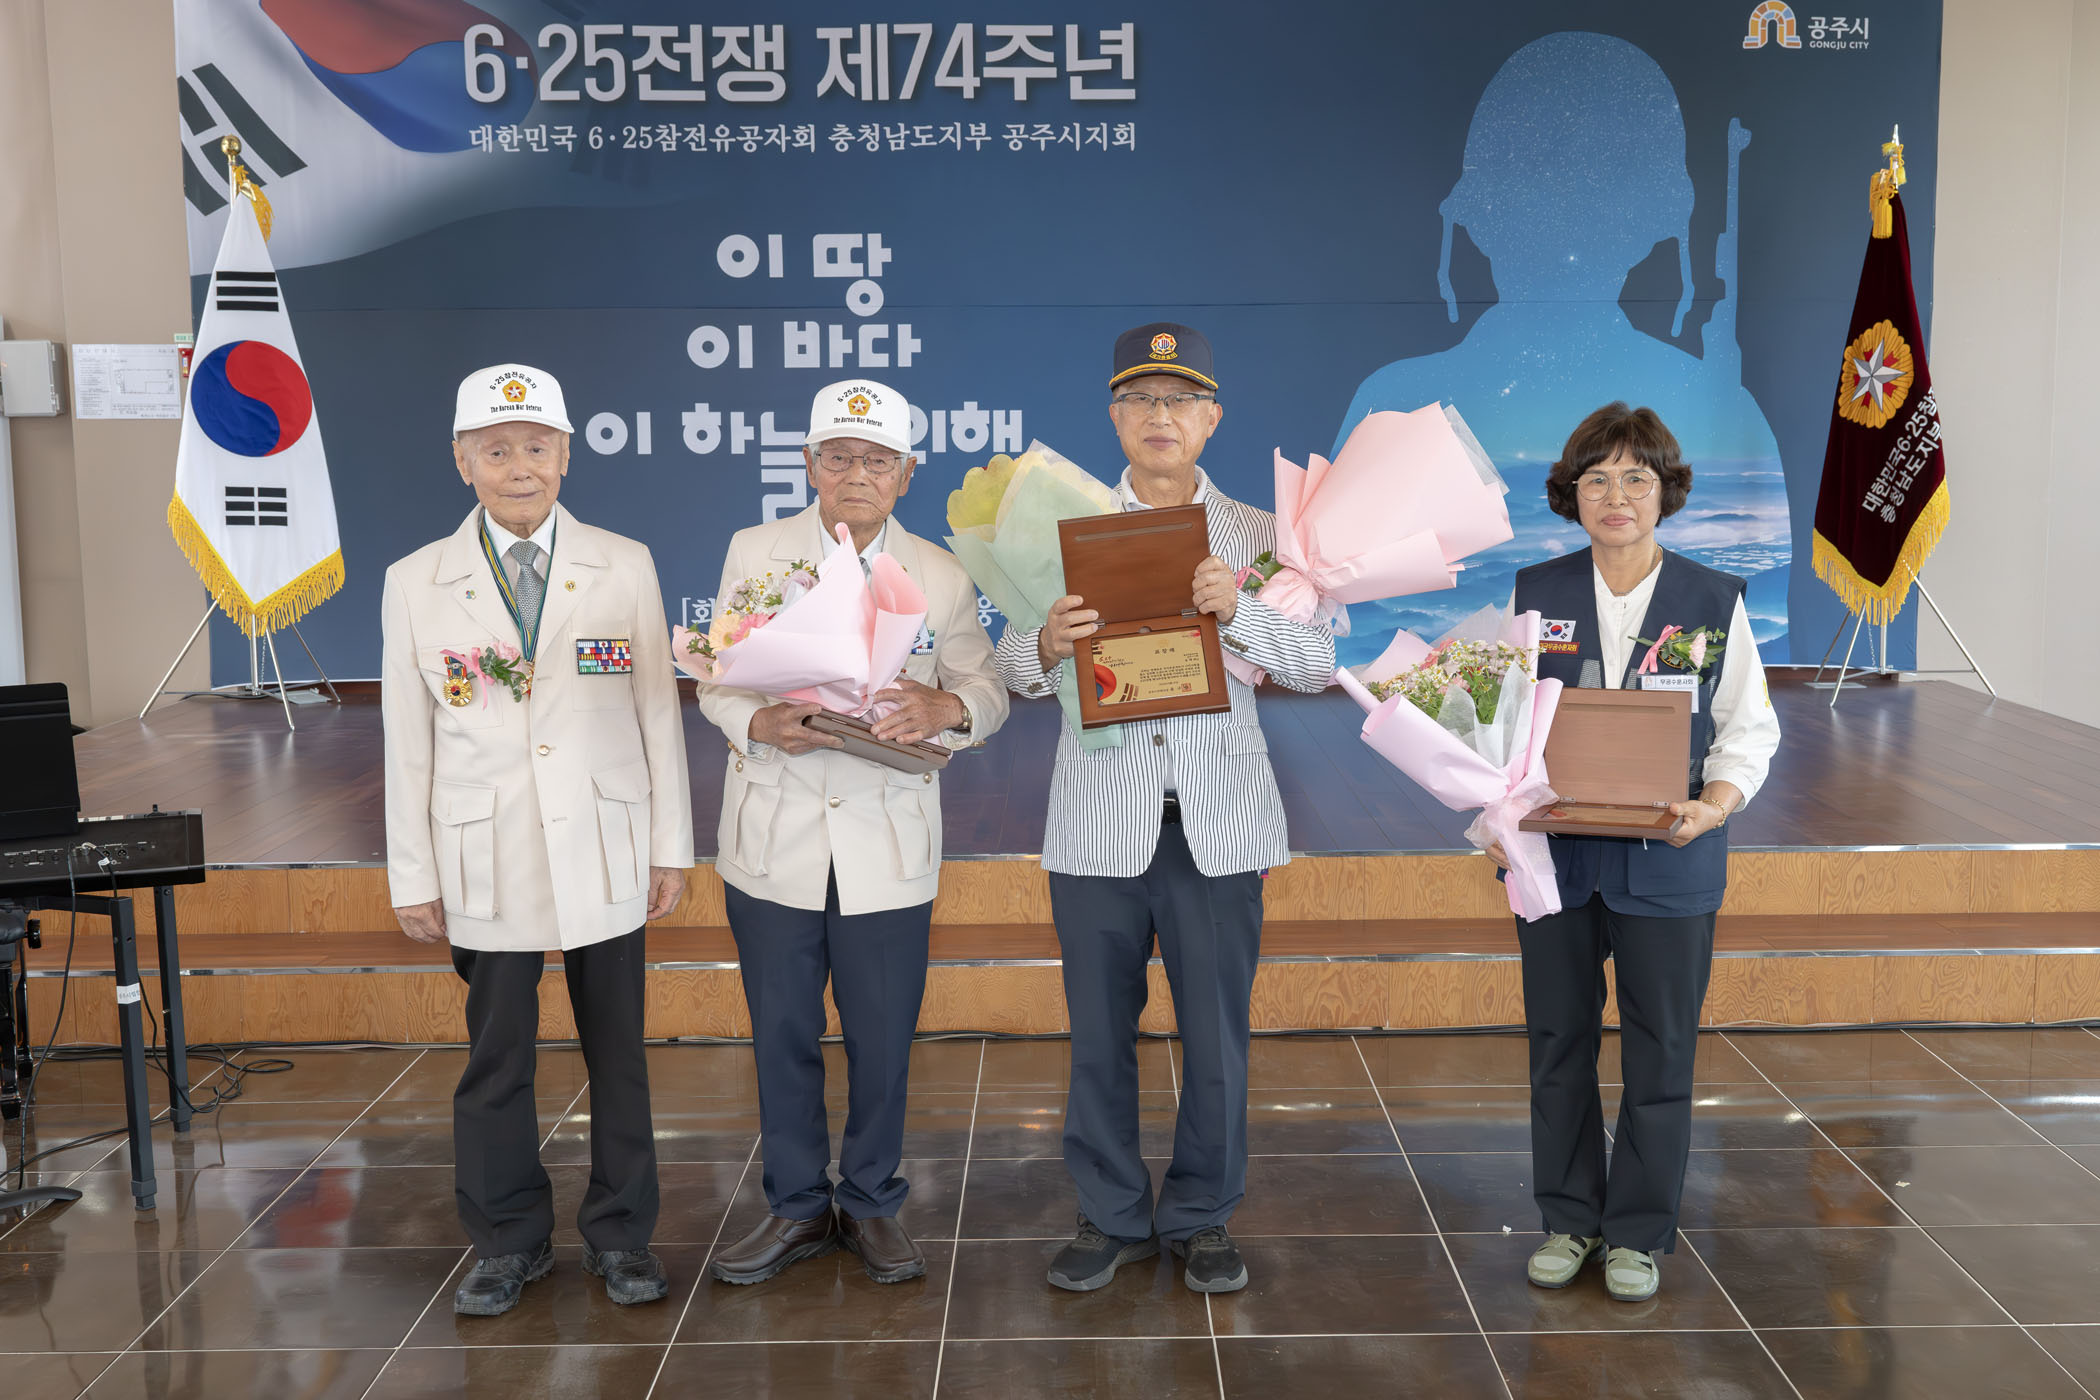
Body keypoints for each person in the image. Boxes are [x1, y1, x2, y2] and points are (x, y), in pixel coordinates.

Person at [991, 324, 1336, 1295]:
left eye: (1180, 399)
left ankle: (1202, 1215)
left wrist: (1243, 611)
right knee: (1098, 1039)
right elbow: (1009, 665)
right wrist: (1047, 643)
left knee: (1216, 1040)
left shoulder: (1263, 538)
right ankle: (1109, 1214)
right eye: (1140, 398)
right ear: (1114, 416)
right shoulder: (1061, 528)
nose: (1160, 416)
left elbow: (1319, 665)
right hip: (1099, 825)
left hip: (1217, 827)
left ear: (1212, 417)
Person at [382, 363, 693, 1316]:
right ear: (462, 462)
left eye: (536, 447)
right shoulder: (416, 582)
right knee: (496, 1058)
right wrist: (411, 874)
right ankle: (506, 1239)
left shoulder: (624, 563)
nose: (519, 467)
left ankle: (622, 1234)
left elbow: (657, 714)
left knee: (620, 1053)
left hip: (605, 839)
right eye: (496, 450)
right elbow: (406, 739)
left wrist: (671, 846)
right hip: (486, 849)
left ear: (566, 454)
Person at [700, 379, 1008, 1287]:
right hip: (776, 832)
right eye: (839, 456)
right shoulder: (754, 551)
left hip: (885, 839)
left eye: (878, 460)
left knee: (882, 1039)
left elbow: (986, 689)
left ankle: (872, 1201)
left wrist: (947, 707)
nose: (857, 474)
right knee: (781, 1035)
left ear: (907, 473)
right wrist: (757, 722)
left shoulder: (941, 573)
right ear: (809, 464)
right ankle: (797, 1205)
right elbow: (717, 679)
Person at [1489, 401, 1780, 1302]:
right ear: (1571, 494)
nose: (1617, 496)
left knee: (1662, 1049)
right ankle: (1570, 1219)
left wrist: (1714, 806)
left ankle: (1638, 1234)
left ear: (1666, 492)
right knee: (1558, 1045)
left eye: (1636, 479)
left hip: (1671, 857)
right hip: (1557, 860)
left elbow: (1747, 730)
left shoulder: (1714, 600)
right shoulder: (1532, 594)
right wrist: (1495, 799)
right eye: (1597, 479)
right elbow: (1497, 721)